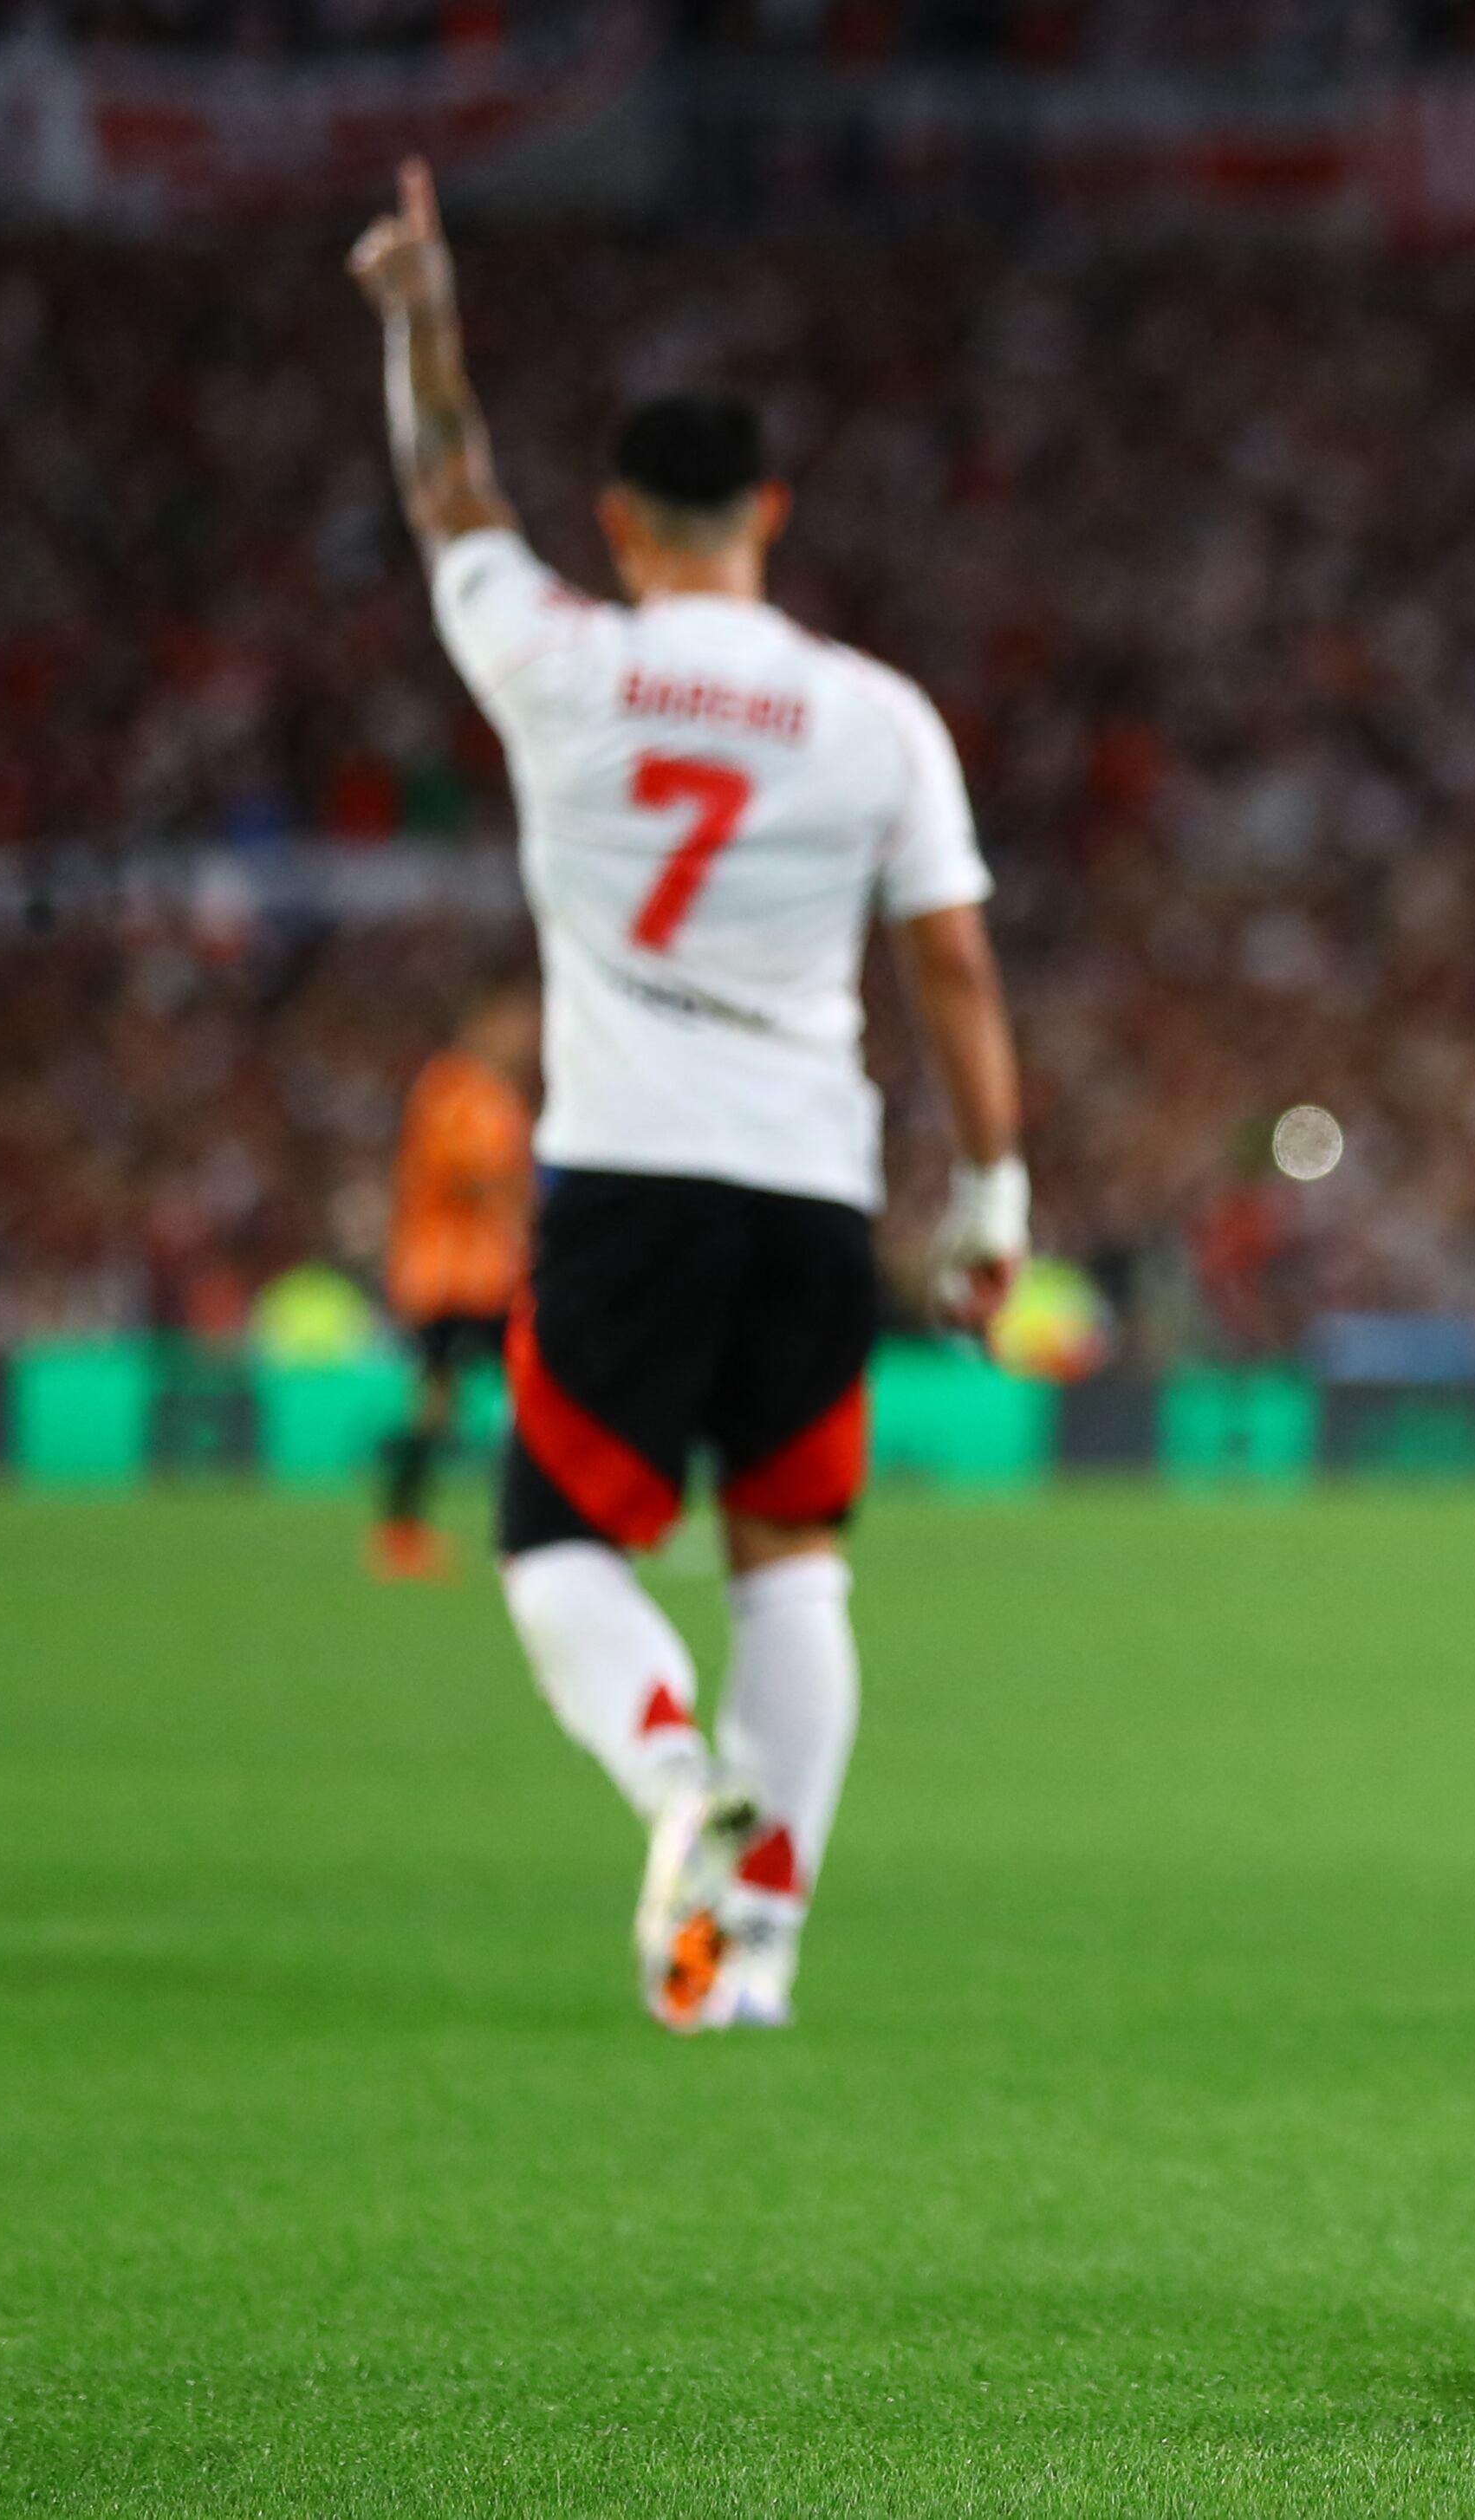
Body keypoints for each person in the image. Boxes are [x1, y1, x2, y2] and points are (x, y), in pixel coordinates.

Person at [349, 160, 1030, 2030]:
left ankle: (672, 1776)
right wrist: (991, 1198)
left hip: (629, 1168)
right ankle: (757, 1955)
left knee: (555, 1541)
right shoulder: (875, 715)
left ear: (619, 523)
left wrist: (420, 318)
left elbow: (448, 493)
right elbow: (956, 970)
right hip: (809, 1180)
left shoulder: (559, 657)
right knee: (793, 1569)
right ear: (770, 515)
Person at [371, 978, 539, 1580]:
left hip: (487, 1274)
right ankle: (405, 1531)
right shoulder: (455, 1088)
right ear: (483, 1025)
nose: (526, 1038)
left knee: (465, 1398)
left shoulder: (493, 1092)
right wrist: (519, 1199)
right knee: (456, 1401)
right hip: (451, 1276)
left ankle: (412, 1529)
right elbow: (463, 1174)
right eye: (514, 1025)